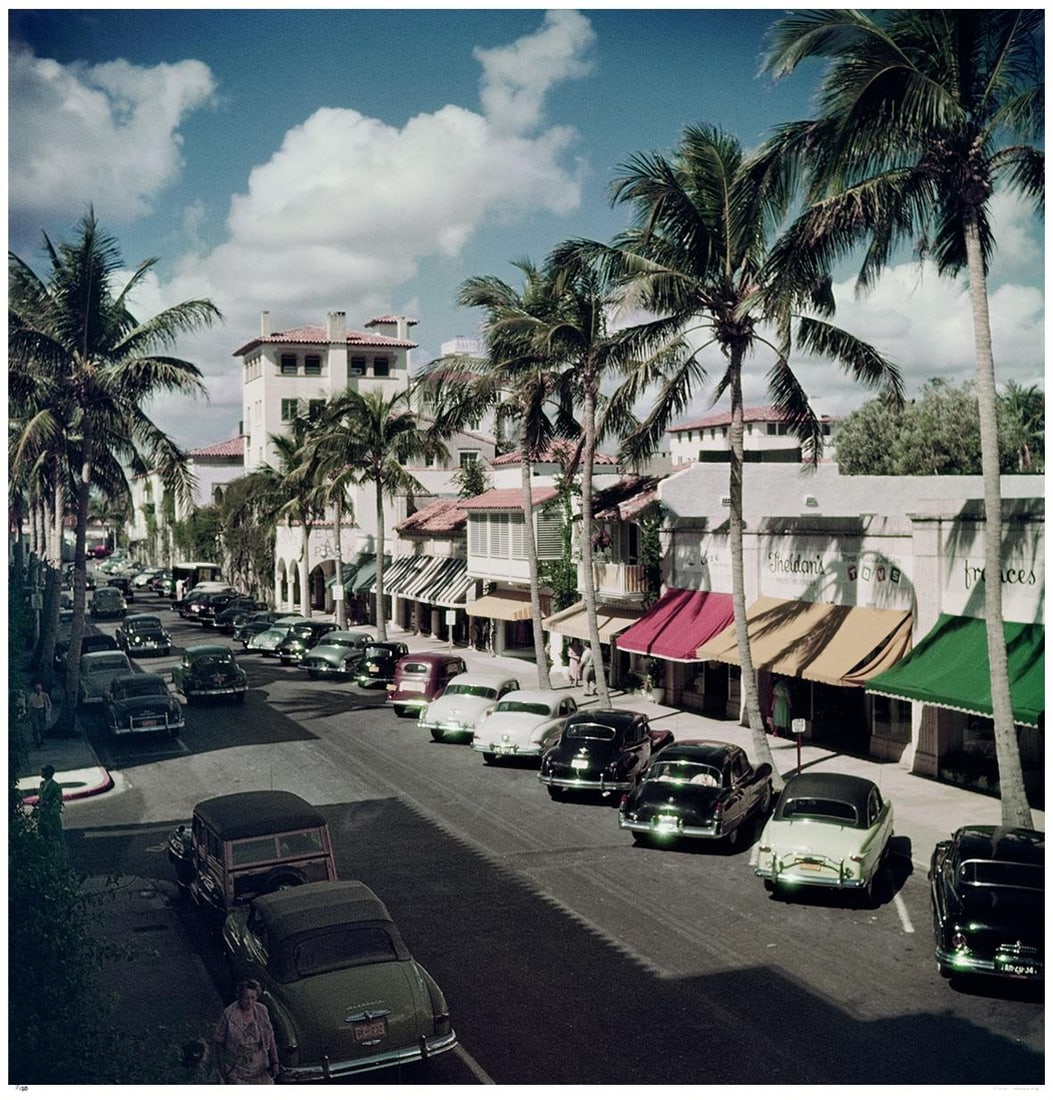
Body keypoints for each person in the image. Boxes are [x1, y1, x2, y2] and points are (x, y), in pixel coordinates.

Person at [214, 979, 280, 1084]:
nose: (249, 1002)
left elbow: (270, 1036)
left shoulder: (262, 1010)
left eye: (253, 998)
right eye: (246, 998)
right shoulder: (229, 1014)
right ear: (240, 997)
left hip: (260, 1067)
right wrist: (223, 1070)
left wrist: (275, 1061)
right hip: (238, 1070)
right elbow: (219, 1042)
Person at [34, 764, 64, 848]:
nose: (41, 773)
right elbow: (41, 797)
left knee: (54, 832)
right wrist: (38, 803)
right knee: (41, 832)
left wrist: (49, 806)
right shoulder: (42, 784)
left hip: (51, 815)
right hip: (42, 813)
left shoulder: (56, 786)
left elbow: (58, 800)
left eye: (43, 771)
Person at [26, 682, 52, 747]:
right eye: (37, 689)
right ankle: (38, 741)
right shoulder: (32, 696)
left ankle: (41, 738)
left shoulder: (45, 695)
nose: (38, 690)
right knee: (36, 726)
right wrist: (28, 715)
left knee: (42, 726)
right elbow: (29, 706)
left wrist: (48, 712)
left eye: (39, 689)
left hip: (42, 710)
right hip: (35, 711)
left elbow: (49, 703)